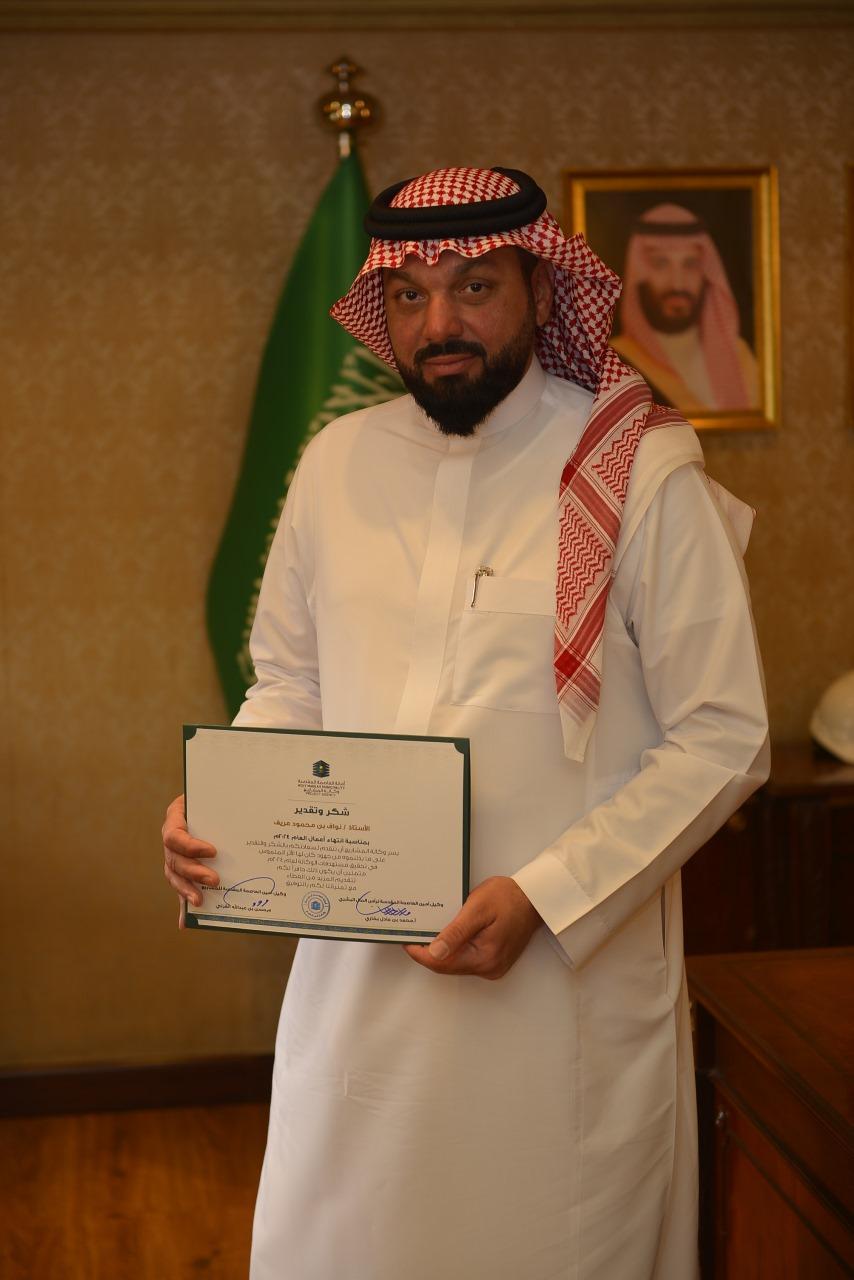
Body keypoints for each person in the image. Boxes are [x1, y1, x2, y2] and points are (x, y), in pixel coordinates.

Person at [163, 166, 769, 1280]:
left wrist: (544, 896)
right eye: (409, 294)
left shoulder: (637, 468)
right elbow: (289, 683)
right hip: (358, 988)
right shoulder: (335, 463)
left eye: (474, 286)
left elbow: (724, 736)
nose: (438, 323)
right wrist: (225, 806)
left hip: (561, 993)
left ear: (540, 288)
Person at [610, 202, 760, 413]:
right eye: (661, 264)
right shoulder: (615, 361)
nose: (678, 284)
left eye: (690, 265)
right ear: (639, 274)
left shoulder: (740, 356)